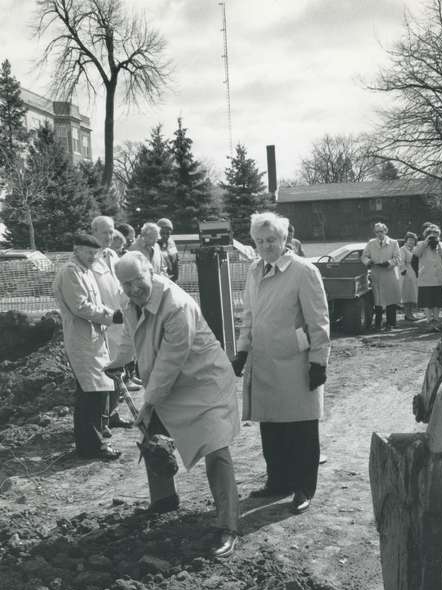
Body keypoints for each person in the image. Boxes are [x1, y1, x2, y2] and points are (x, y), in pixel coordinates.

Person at [109, 251, 241, 558]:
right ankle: (165, 500)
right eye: (125, 284)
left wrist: (148, 403)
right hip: (169, 383)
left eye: (137, 281)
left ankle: (228, 526)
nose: (132, 289)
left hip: (203, 382)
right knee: (152, 438)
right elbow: (130, 335)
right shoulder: (129, 301)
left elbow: (170, 363)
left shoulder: (176, 305)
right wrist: (118, 361)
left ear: (151, 272)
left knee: (215, 449)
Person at [231, 211, 330, 515]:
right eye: (260, 241)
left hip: (295, 362)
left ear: (284, 239)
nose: (266, 246)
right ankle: (279, 482)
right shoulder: (254, 270)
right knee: (271, 426)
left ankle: (303, 488)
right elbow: (249, 315)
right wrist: (242, 351)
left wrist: (318, 362)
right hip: (264, 362)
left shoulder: (303, 271)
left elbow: (319, 321)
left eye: (271, 239)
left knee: (301, 429)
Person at [53, 233, 123, 461]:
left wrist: (110, 314)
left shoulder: (85, 271)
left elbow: (96, 302)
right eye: (89, 252)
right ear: (77, 250)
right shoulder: (71, 272)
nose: (93, 257)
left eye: (96, 253)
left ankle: (93, 442)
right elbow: (81, 307)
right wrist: (113, 316)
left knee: (96, 391)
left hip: (94, 339)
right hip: (82, 340)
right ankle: (91, 447)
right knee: (91, 394)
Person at [91, 216, 136, 433]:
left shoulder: (112, 255)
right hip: (102, 323)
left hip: (119, 321)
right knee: (104, 373)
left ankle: (113, 413)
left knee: (118, 370)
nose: (109, 237)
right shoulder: (90, 258)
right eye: (104, 233)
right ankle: (102, 420)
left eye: (111, 232)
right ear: (94, 233)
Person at [361, 222, 401, 331]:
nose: (379, 234)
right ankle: (378, 324)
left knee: (390, 300)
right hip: (376, 273)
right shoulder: (371, 243)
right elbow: (364, 256)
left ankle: (391, 323)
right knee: (378, 301)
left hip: (389, 274)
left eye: (381, 231)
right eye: (377, 232)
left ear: (386, 231)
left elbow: (398, 258)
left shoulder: (393, 243)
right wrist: (369, 262)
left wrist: (389, 263)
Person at [413, 224, 442, 332]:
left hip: (439, 277)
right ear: (426, 235)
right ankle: (429, 319)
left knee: (437, 300)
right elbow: (416, 253)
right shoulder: (421, 244)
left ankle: (436, 319)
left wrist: (439, 245)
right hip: (426, 277)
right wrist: (426, 242)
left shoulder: (441, 244)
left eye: (436, 234)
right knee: (427, 300)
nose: (433, 237)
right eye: (431, 235)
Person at [399, 232, 418, 321]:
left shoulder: (415, 249)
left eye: (413, 241)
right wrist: (404, 271)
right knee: (407, 294)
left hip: (414, 272)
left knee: (412, 294)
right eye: (409, 240)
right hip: (406, 273)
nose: (411, 242)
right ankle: (407, 313)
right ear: (406, 241)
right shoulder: (402, 249)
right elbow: (401, 262)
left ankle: (410, 313)